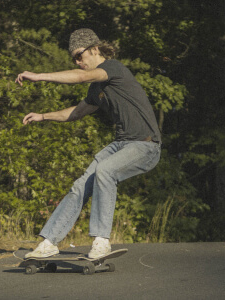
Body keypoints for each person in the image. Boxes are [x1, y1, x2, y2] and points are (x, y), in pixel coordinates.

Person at [15, 28, 161, 259]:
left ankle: (101, 241)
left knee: (105, 171)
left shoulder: (112, 68)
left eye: (79, 56)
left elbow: (80, 77)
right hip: (121, 144)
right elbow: (75, 112)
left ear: (94, 49)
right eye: (73, 58)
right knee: (81, 185)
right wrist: (43, 116)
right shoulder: (97, 89)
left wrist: (39, 75)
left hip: (145, 145)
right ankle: (49, 242)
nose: (78, 62)